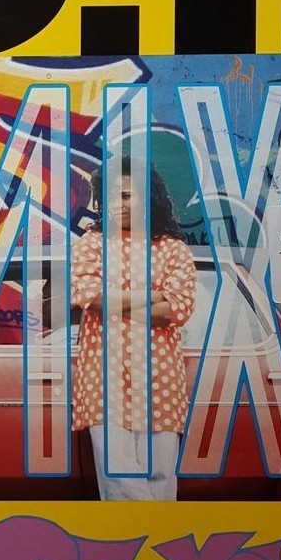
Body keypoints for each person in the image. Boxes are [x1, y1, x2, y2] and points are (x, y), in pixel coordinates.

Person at [71, 157, 196, 501]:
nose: (116, 204)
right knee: (119, 480)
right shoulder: (92, 243)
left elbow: (177, 309)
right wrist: (155, 294)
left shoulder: (173, 250)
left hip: (160, 379)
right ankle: (140, 534)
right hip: (104, 379)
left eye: (125, 195)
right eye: (109, 196)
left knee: (161, 479)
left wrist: (118, 301)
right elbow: (92, 298)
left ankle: (155, 534)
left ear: (147, 196)